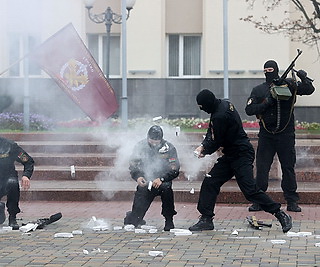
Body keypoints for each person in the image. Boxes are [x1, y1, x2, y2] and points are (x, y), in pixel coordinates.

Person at [189, 89, 292, 233]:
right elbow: (212, 131)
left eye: (203, 107)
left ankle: (280, 214)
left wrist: (203, 149)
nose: (204, 111)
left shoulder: (220, 115)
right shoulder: (222, 105)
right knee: (210, 181)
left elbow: (216, 140)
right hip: (231, 154)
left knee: (250, 191)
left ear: (208, 104)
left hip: (241, 155)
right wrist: (204, 146)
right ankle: (206, 219)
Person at [245, 60, 315, 212]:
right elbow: (249, 109)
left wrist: (304, 78)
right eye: (266, 70)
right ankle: (258, 201)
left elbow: (309, 89)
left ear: (276, 70)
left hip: (286, 134)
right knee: (262, 168)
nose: (268, 72)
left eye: (271, 69)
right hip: (266, 135)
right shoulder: (259, 90)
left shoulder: (288, 85)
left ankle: (291, 201)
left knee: (288, 168)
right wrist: (267, 103)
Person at [124, 125, 180, 231]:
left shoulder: (169, 148)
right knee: (133, 222)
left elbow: (175, 169)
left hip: (162, 181)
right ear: (147, 137)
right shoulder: (140, 146)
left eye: (157, 140)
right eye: (152, 140)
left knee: (167, 190)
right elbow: (133, 165)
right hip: (146, 180)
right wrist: (138, 177)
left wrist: (162, 179)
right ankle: (134, 216)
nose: (154, 142)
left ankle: (169, 219)